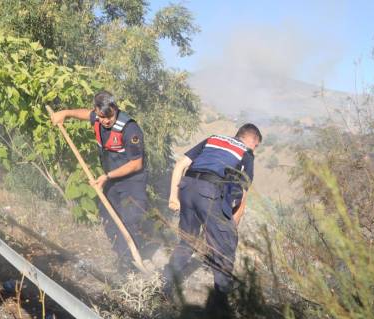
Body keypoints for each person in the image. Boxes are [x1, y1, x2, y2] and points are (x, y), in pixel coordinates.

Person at [51, 91, 149, 272]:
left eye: (109, 116)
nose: (105, 121)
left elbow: (136, 164)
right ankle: (122, 256)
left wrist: (107, 176)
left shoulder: (130, 129)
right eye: (101, 116)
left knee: (130, 220)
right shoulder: (97, 117)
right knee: (109, 218)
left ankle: (129, 265)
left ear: (115, 108)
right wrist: (64, 113)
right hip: (111, 179)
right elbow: (83, 114)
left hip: (132, 181)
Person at [164, 124, 262, 300]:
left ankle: (166, 286)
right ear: (252, 140)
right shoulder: (246, 153)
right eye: (257, 146)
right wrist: (232, 225)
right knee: (225, 246)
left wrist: (173, 197)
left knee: (188, 240)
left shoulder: (213, 138)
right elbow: (244, 193)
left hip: (187, 187)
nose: (255, 150)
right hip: (208, 192)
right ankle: (220, 304)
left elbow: (180, 164)